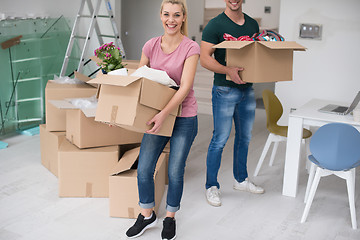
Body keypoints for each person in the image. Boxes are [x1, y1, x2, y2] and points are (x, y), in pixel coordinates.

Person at [125, 0, 200, 239]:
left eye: (177, 15)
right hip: (155, 116)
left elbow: (185, 87)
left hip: (183, 116)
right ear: (160, 16)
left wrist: (164, 114)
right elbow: (139, 83)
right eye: (167, 14)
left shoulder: (191, 48)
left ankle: (170, 217)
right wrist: (119, 115)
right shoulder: (150, 45)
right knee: (144, 168)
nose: (171, 20)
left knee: (176, 171)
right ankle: (147, 214)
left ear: (184, 18)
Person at [200, 0, 264, 207]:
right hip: (224, 89)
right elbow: (204, 58)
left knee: (244, 138)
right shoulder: (215, 25)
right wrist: (228, 70)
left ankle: (241, 180)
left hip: (248, 89)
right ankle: (211, 186)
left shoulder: (253, 25)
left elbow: (254, 55)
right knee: (220, 139)